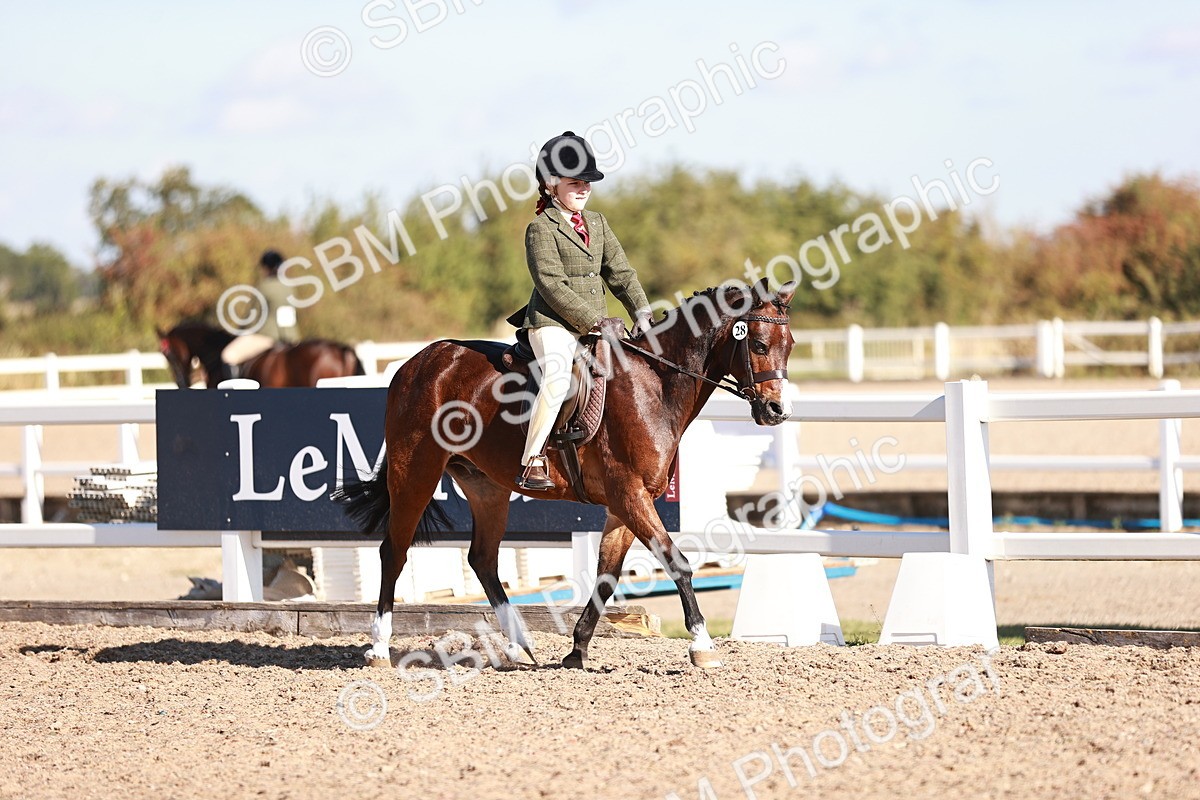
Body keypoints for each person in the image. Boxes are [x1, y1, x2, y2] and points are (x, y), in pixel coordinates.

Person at [506, 131, 653, 490]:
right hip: (552, 324)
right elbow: (551, 285)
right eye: (575, 183)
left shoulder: (598, 223)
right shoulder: (540, 229)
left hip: (596, 325)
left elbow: (620, 272)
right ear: (551, 185)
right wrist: (594, 321)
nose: (584, 189)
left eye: (588, 182)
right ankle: (533, 460)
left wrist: (642, 313)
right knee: (557, 377)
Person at [220, 249, 300, 366]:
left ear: (266, 267)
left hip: (267, 337)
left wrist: (239, 331)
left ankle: (236, 383)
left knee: (228, 356)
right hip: (292, 338)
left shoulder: (264, 287)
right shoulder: (290, 288)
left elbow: (252, 316)